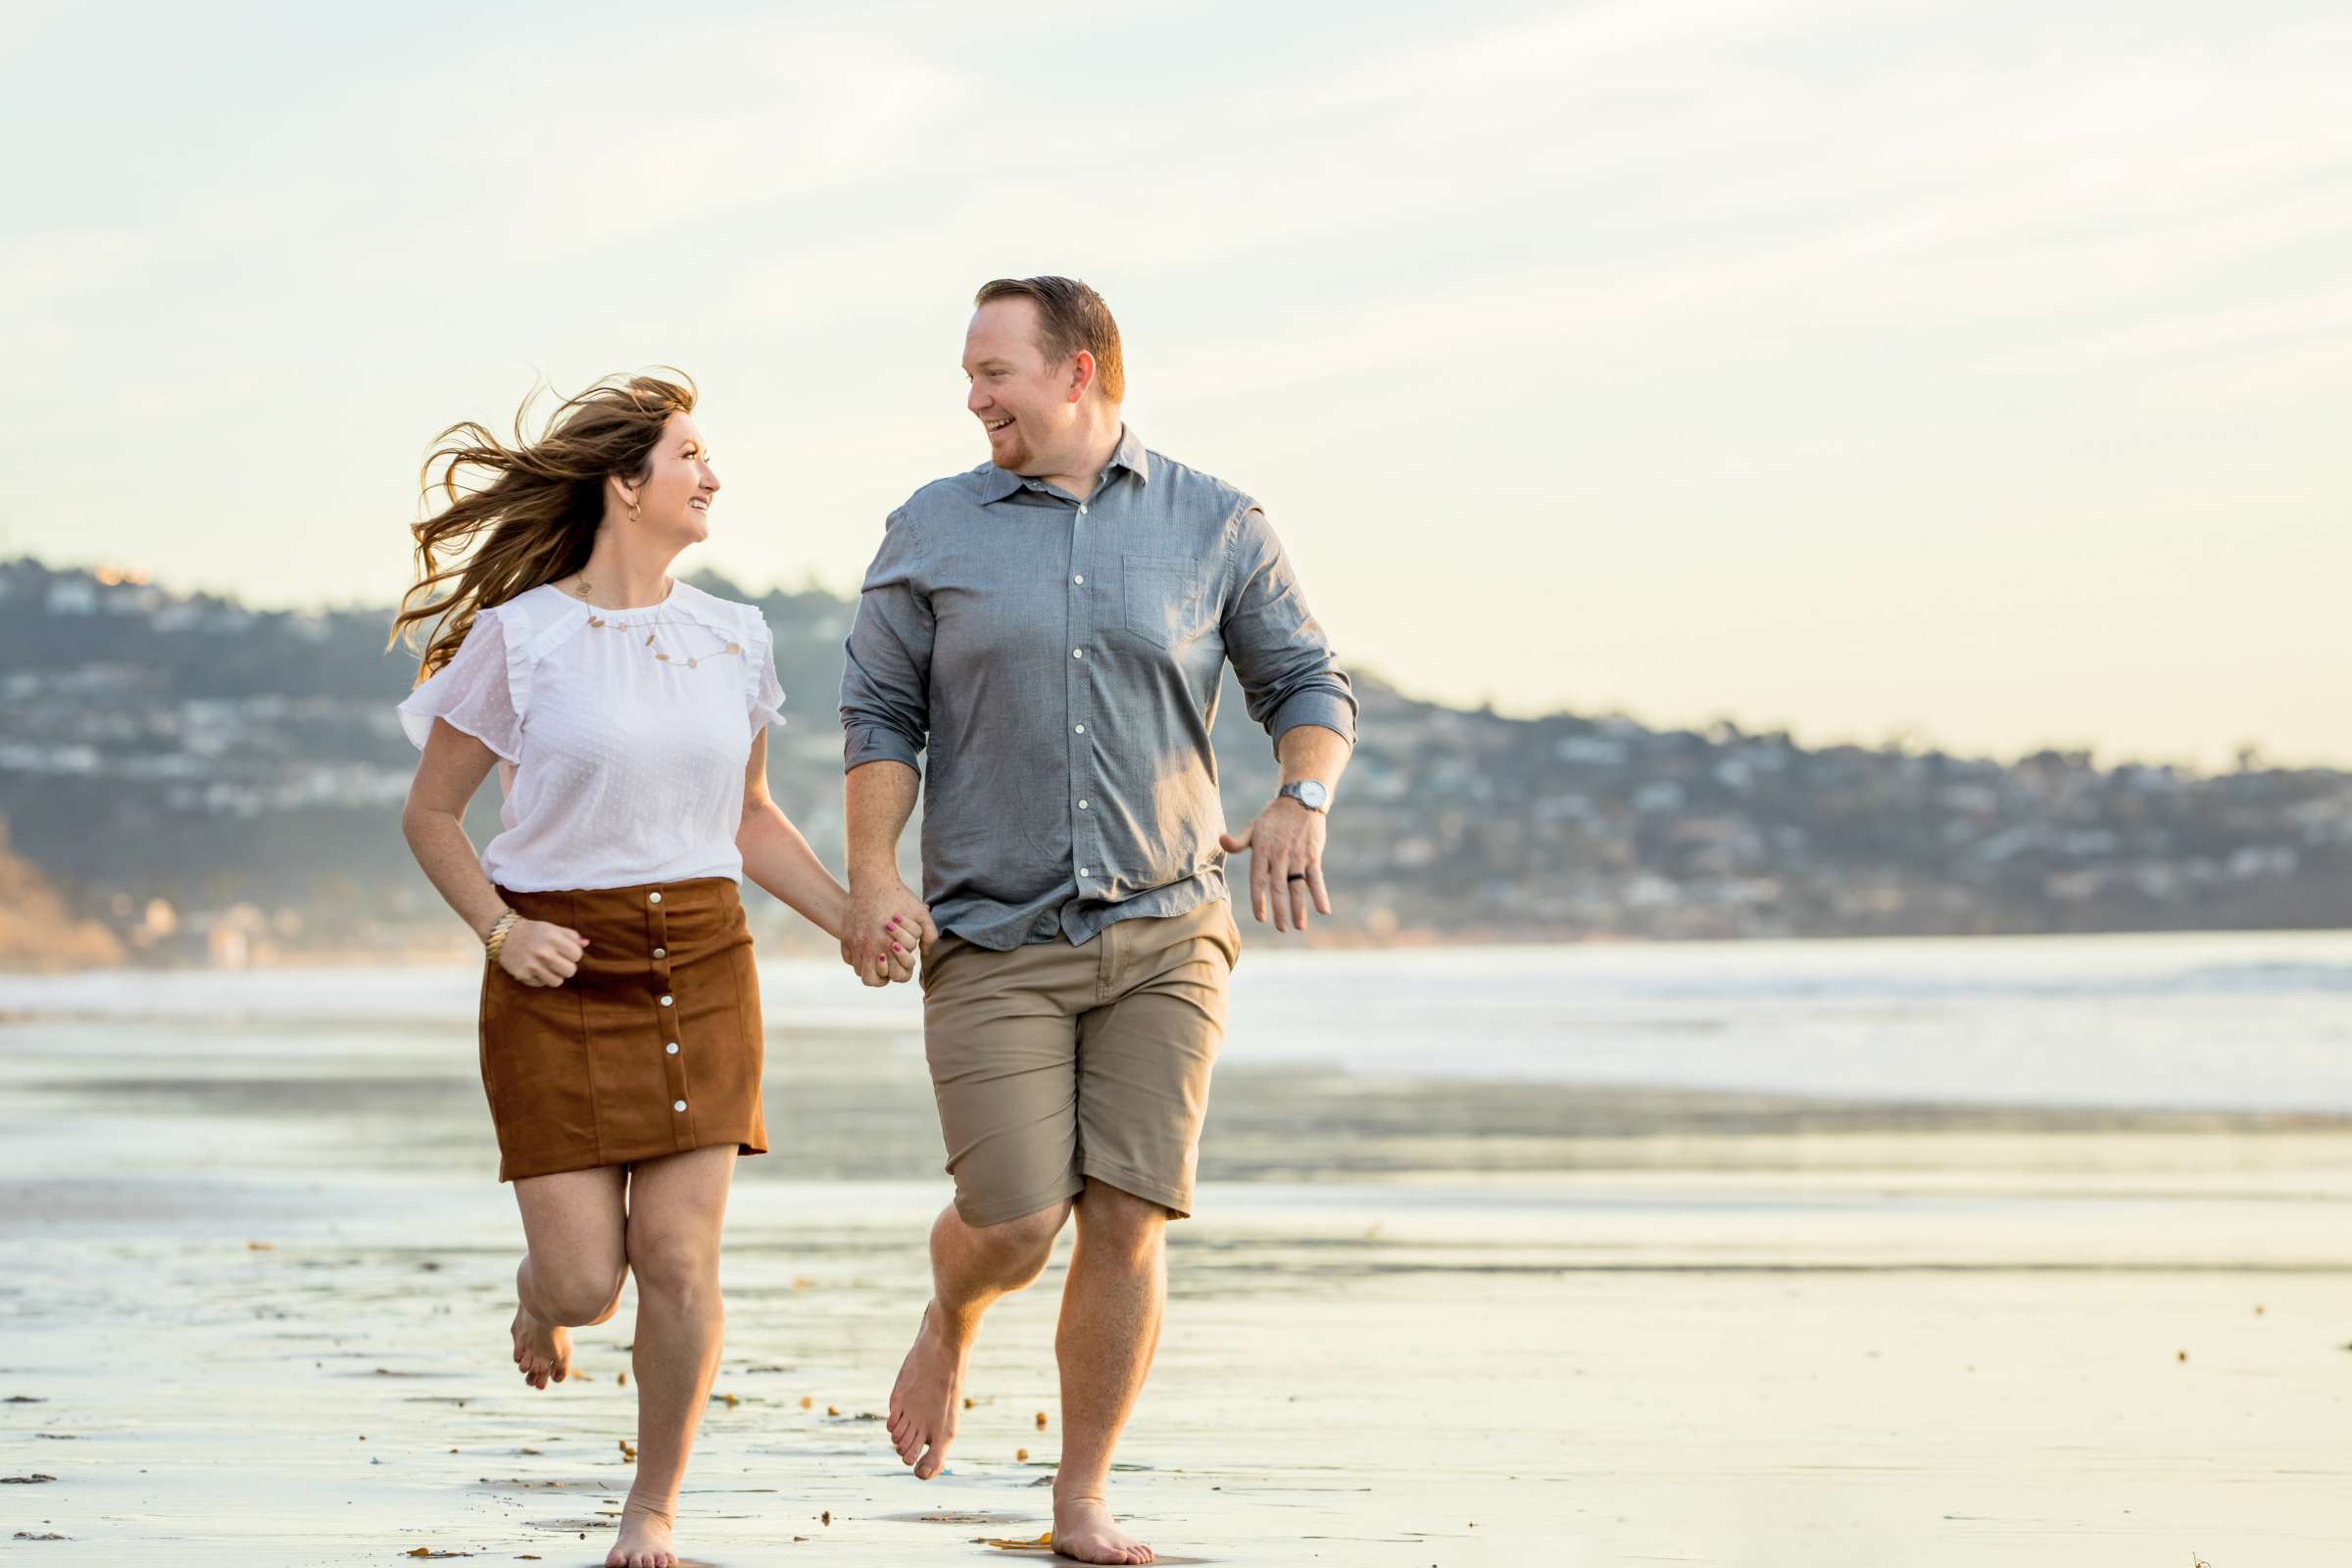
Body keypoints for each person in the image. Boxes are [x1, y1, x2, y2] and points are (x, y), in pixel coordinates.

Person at [837, 277, 1357, 1565]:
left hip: (1168, 929)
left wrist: (1302, 795)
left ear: (1078, 372)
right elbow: (878, 719)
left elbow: (1305, 679)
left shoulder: (1215, 522)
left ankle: (1081, 1501)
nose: (974, 397)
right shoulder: (931, 528)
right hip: (992, 936)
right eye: (970, 373)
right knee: (1015, 1219)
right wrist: (874, 875)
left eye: (995, 372)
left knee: (1127, 1213)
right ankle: (952, 1316)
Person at [393, 372, 875, 1568]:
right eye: (690, 456)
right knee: (584, 1281)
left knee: (677, 1258)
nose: (711, 476)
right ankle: (533, 1296)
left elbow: (752, 818)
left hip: (704, 961)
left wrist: (851, 919)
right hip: (554, 971)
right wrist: (504, 933)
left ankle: (650, 1508)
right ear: (624, 483)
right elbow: (432, 819)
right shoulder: (521, 639)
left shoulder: (734, 635)